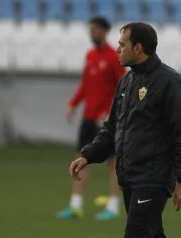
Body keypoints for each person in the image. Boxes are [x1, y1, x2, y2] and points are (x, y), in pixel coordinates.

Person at [69, 22, 181, 238]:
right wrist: (87, 155)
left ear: (138, 48)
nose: (117, 48)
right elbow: (112, 131)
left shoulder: (169, 82)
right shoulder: (126, 83)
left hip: (153, 179)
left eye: (122, 43)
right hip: (132, 176)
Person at [57, 16, 126, 221]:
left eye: (95, 29)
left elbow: (122, 87)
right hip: (88, 117)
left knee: (113, 163)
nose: (91, 33)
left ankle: (113, 207)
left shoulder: (115, 57)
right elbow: (86, 85)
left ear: (105, 31)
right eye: (90, 29)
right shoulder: (90, 56)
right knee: (82, 159)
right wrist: (73, 103)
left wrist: (109, 112)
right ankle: (75, 205)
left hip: (106, 120)